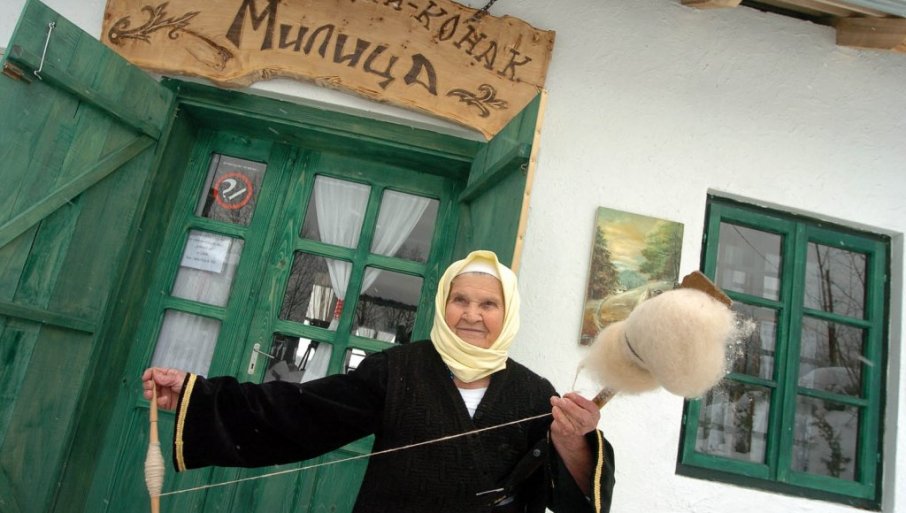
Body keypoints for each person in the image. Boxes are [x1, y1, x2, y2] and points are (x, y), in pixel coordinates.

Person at [143, 250, 615, 512]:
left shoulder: (535, 394)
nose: (471, 314)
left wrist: (573, 442)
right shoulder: (399, 369)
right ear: (443, 305)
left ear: (507, 313)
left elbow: (574, 501)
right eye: (460, 300)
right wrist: (197, 396)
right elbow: (303, 412)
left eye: (488, 304)